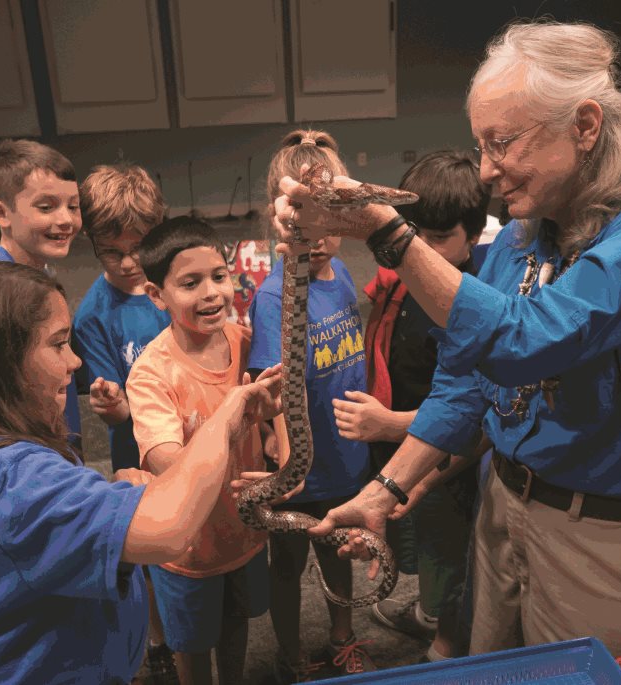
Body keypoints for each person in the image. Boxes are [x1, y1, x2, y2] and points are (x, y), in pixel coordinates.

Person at [275, 20, 621, 658]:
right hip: (507, 505)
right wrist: (387, 490)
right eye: (481, 145)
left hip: (611, 535)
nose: (487, 171)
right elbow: (469, 374)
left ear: (584, 126)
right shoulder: (528, 231)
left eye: (501, 144)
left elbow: (533, 340)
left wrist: (388, 234)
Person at [0, 257, 282, 683]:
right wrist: (229, 413)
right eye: (57, 344)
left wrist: (118, 495)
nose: (75, 362)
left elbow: (48, 530)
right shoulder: (18, 483)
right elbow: (170, 529)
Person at [333, 150, 489, 663]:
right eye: (412, 233)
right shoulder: (407, 279)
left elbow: (475, 405)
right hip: (401, 453)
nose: (417, 249)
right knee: (416, 540)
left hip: (446, 465)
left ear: (474, 232)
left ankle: (444, 643)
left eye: (438, 239)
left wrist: (389, 423)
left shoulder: (471, 303)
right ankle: (428, 613)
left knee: (449, 554)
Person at [246, 129, 375, 682]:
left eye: (326, 217)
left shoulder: (343, 274)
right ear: (280, 217)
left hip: (347, 453)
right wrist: (284, 447)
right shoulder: (275, 296)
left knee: (340, 551)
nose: (315, 233)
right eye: (302, 217)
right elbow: (271, 382)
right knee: (288, 564)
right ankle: (290, 651)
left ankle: (343, 637)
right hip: (300, 470)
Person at [125, 216, 272, 685]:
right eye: (190, 283)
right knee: (191, 644)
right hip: (188, 550)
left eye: (219, 276)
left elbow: (277, 408)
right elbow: (166, 460)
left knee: (236, 624)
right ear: (156, 295)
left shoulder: (243, 340)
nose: (211, 293)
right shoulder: (152, 373)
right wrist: (229, 415)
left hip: (244, 533)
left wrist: (283, 458)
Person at [72, 162, 176, 683]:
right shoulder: (93, 314)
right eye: (111, 252)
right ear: (93, 244)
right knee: (151, 550)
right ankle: (157, 641)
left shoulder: (175, 281)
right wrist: (112, 404)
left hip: (193, 435)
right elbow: (120, 410)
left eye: (138, 247)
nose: (128, 262)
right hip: (138, 453)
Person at [0, 138, 84, 450]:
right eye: (46, 206)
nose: (65, 219)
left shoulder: (42, 277)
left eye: (73, 206)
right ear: (2, 214)